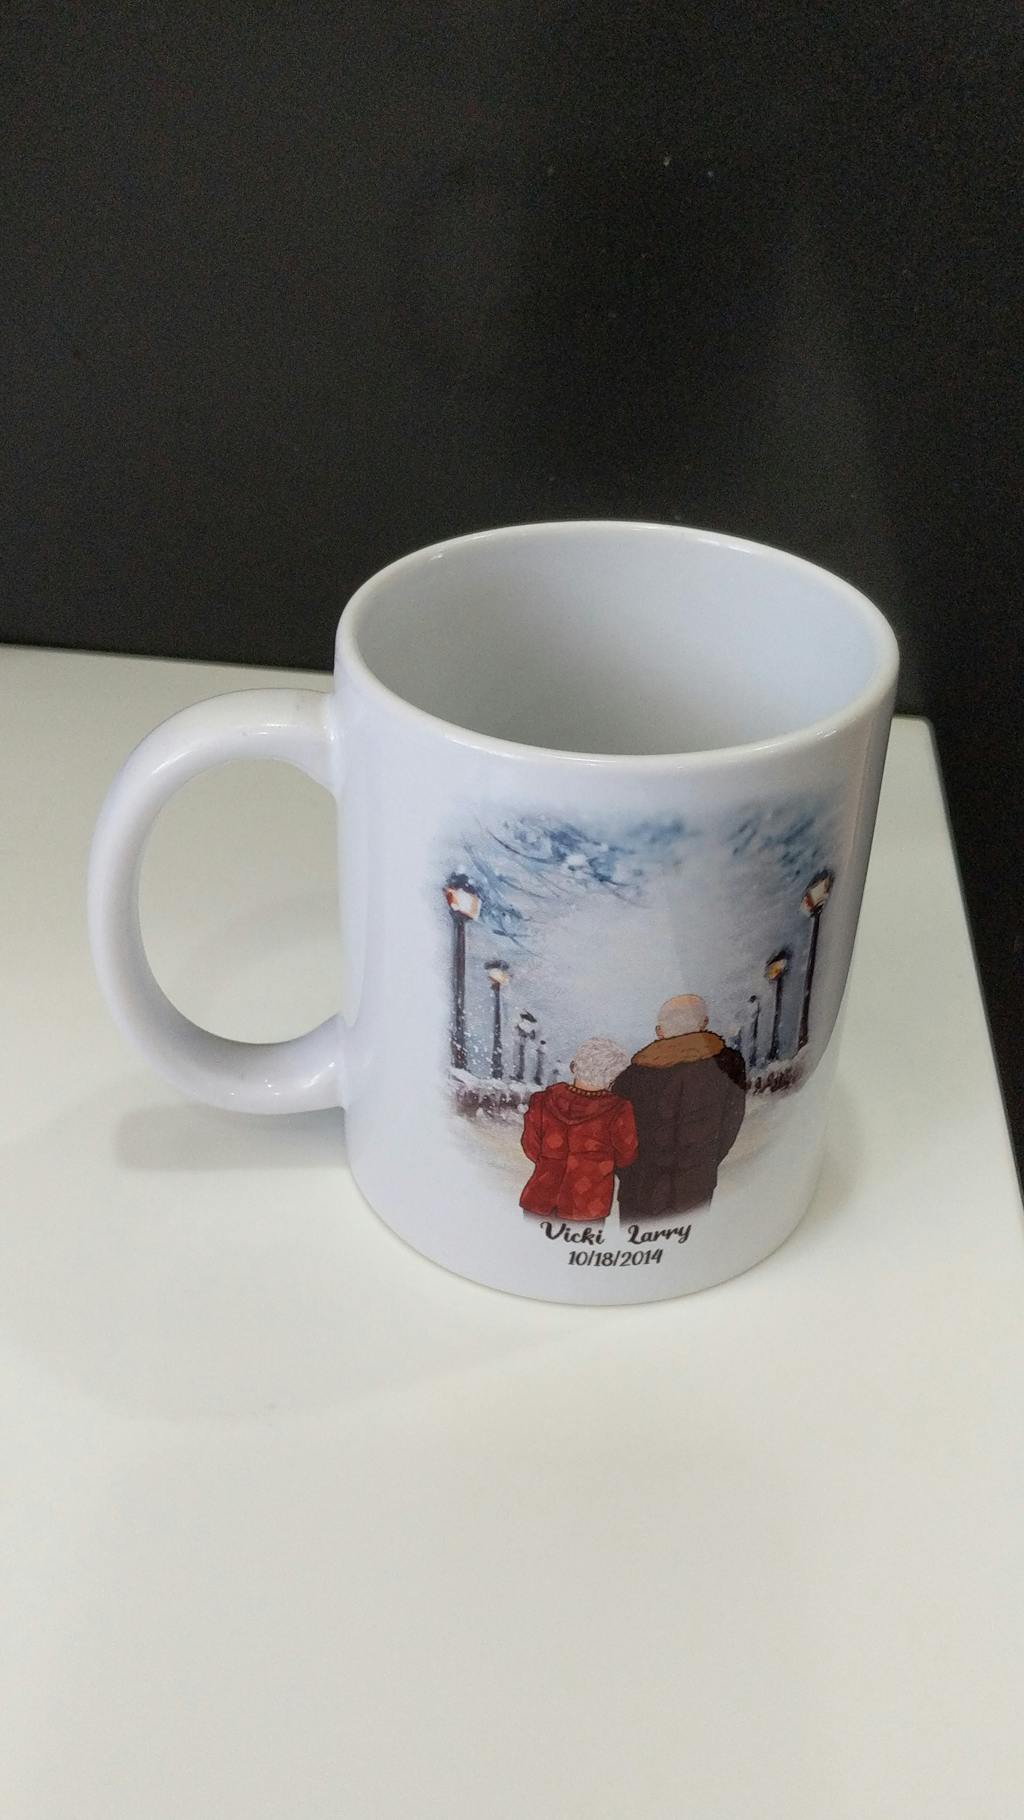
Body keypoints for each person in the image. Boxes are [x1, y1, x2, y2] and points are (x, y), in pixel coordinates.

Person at [614, 995, 746, 1220]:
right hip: (695, 1185)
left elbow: (618, 1137)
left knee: (637, 1238)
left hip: (640, 1188)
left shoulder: (631, 1077)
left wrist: (629, 1173)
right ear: (704, 1023)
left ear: (660, 1031)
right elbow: (730, 1125)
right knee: (693, 1236)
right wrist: (704, 1164)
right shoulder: (728, 1064)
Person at [520, 1038, 638, 1221]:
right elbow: (626, 1155)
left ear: (574, 1066)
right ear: (614, 1077)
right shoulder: (619, 1109)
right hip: (587, 1203)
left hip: (540, 1197)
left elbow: (531, 1146)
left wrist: (552, 1162)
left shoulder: (541, 1100)